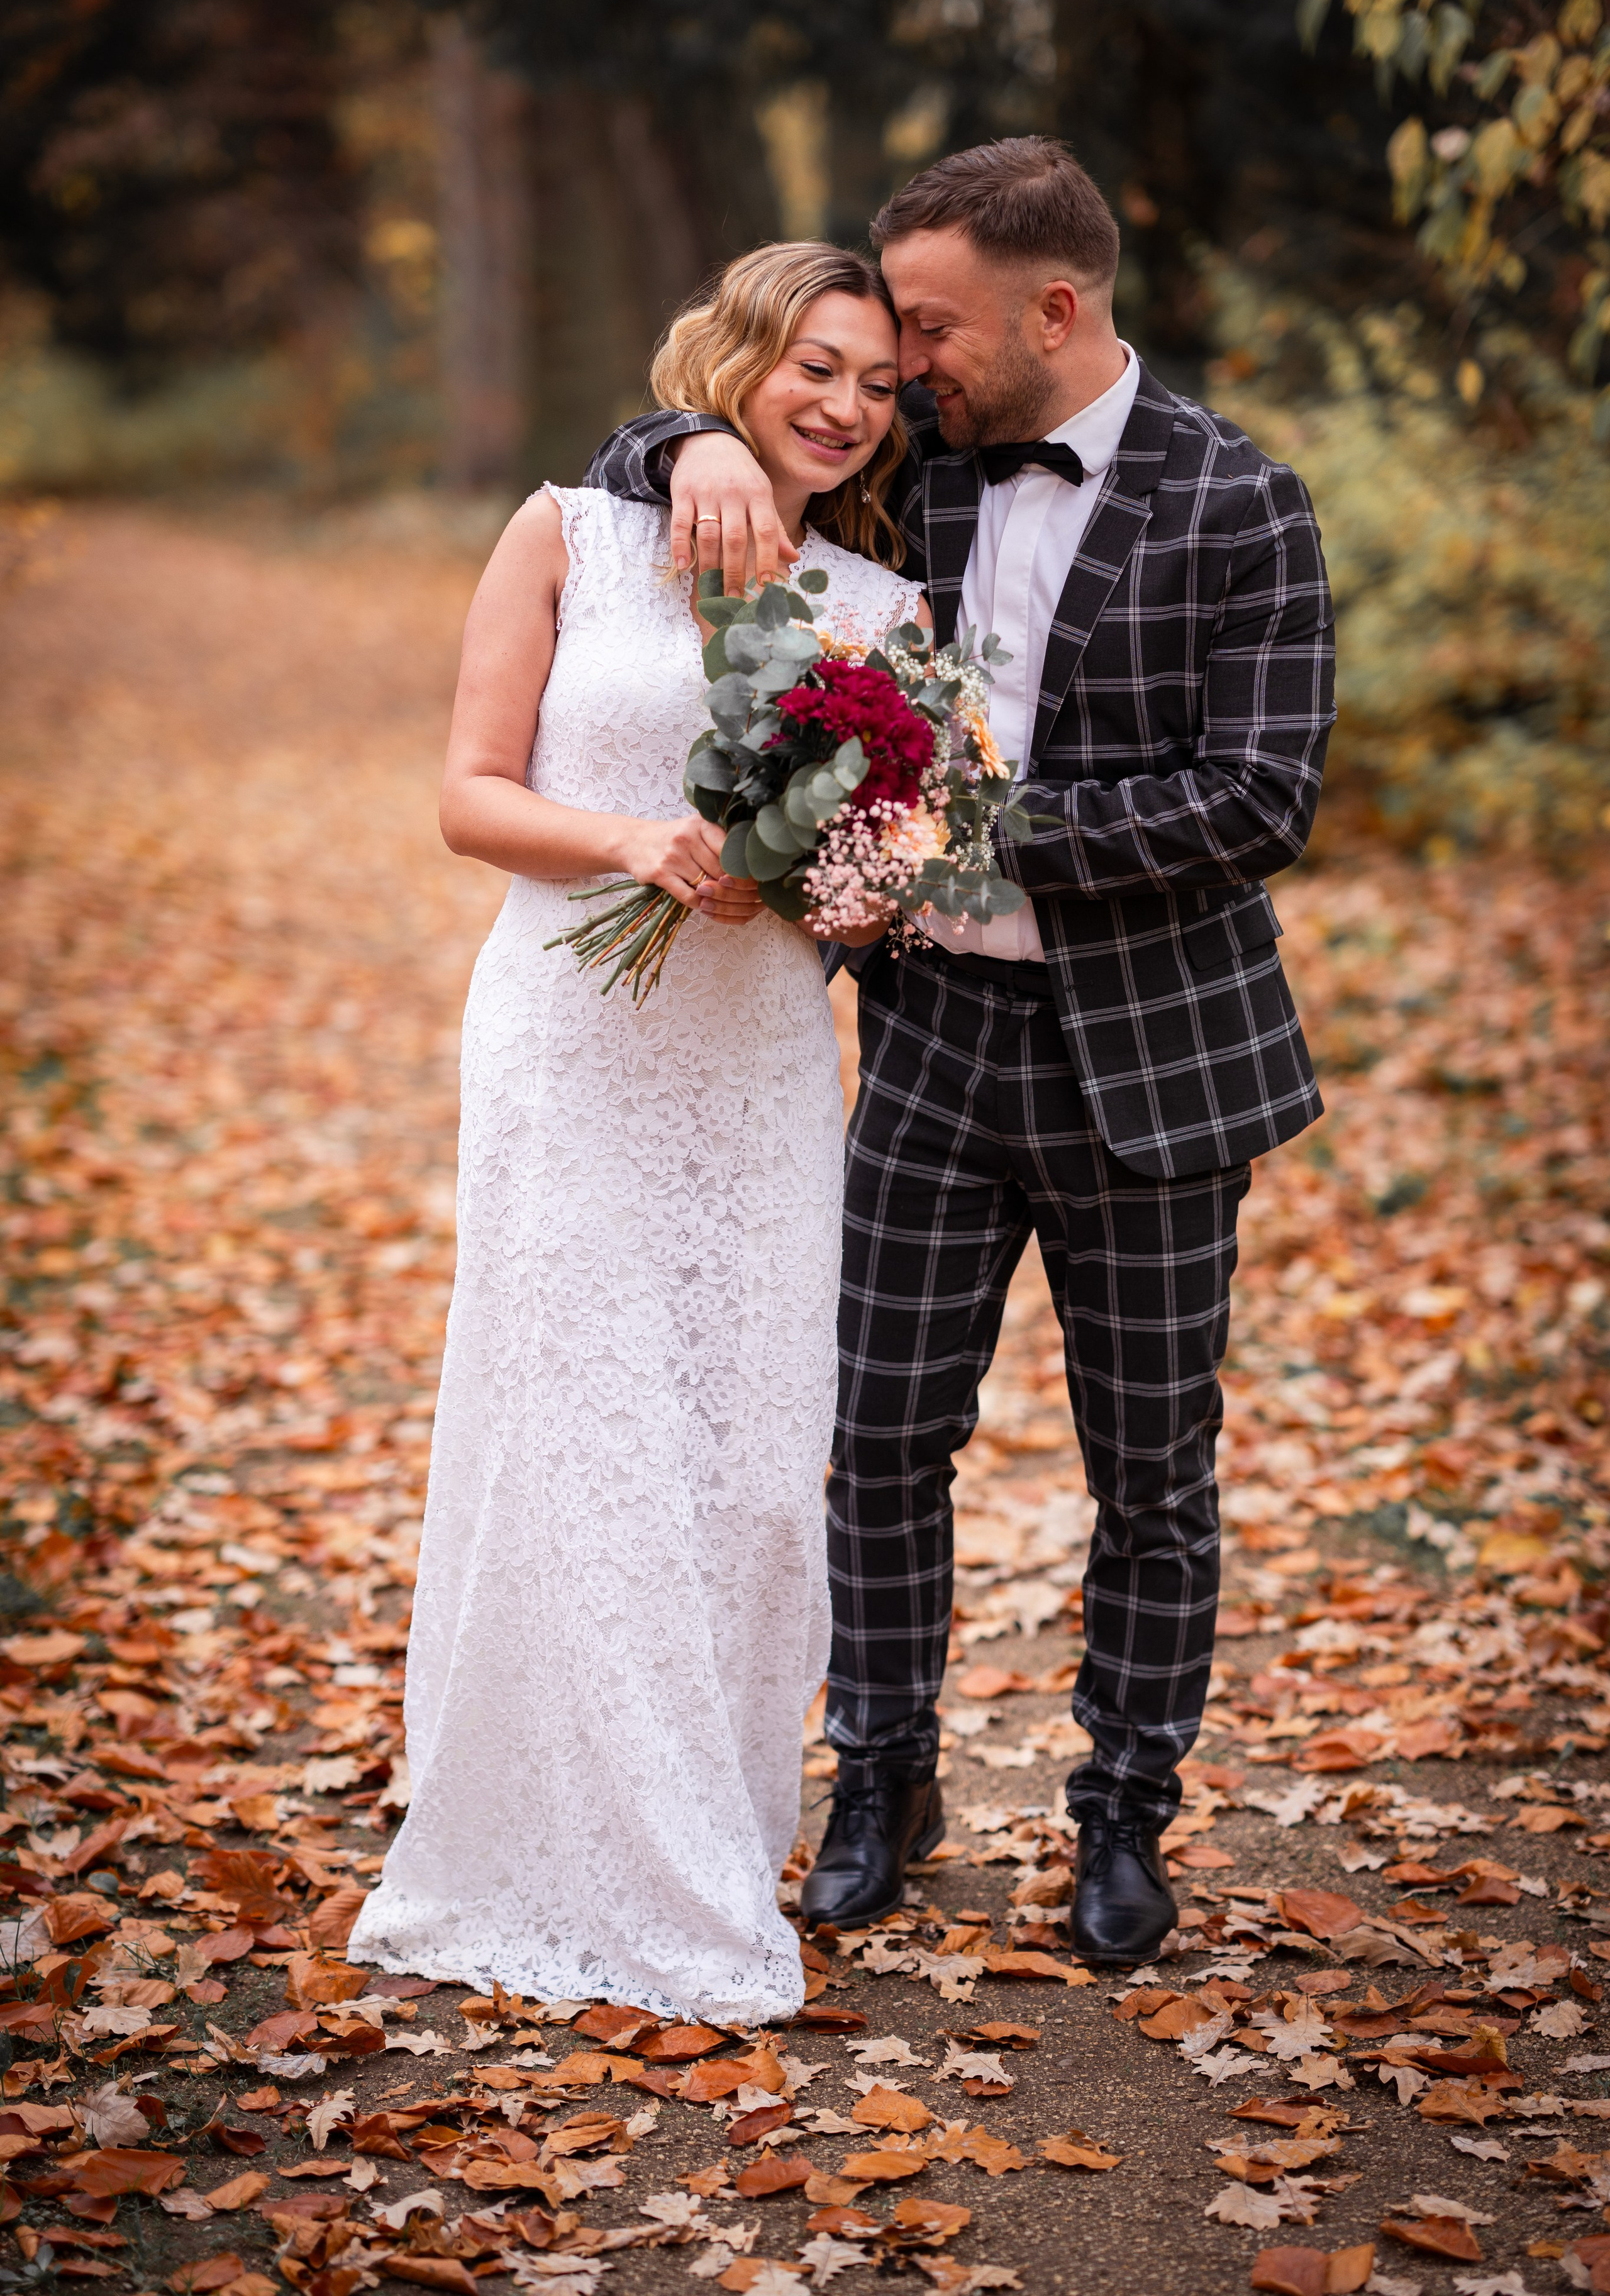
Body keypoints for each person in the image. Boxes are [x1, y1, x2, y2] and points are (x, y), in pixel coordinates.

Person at [587, 136, 1335, 1966]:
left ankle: (1124, 1819)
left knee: (1151, 1471)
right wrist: (680, 442)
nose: (901, 360)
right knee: (880, 1447)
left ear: (1053, 310)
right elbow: (657, 476)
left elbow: (1260, 796)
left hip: (1155, 1069)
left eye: (927, 323)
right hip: (927, 1046)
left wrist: (972, 840)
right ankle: (887, 1782)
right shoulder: (912, 477)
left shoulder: (1243, 502)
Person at [350, 242, 928, 2021]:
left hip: (754, 1057)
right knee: (579, 1422)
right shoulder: (570, 533)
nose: (842, 404)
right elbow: (468, 795)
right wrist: (631, 844)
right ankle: (539, 1842)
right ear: (741, 358)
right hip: (569, 1036)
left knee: (745, 1458)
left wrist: (822, 877)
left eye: (881, 385)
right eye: (814, 364)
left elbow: (892, 874)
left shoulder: (879, 611)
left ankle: (704, 1833)